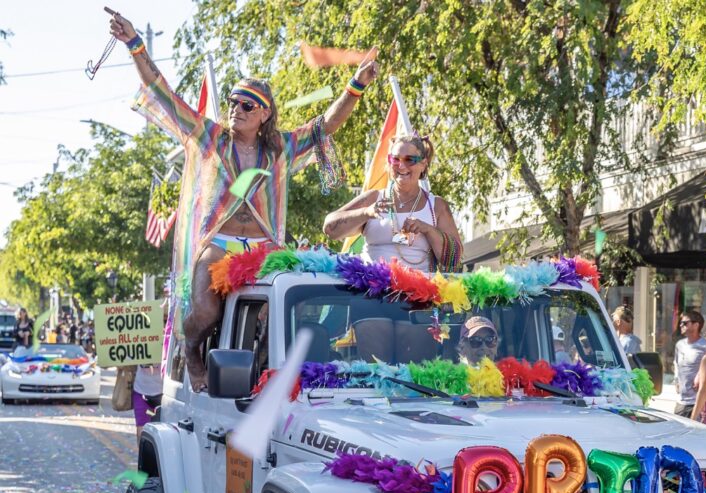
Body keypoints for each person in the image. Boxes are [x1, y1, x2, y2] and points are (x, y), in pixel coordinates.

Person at [109, 10, 377, 391]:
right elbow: (162, 93)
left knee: (279, 311)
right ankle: (195, 352)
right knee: (204, 309)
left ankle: (262, 372)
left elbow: (326, 125)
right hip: (219, 242)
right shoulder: (211, 138)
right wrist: (135, 44)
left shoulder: (281, 148)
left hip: (264, 244)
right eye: (234, 101)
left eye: (247, 105)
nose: (237, 108)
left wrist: (356, 84)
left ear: (264, 114)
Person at [323, 135, 463, 272]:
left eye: (410, 160)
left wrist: (428, 230)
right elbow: (330, 229)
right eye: (395, 159)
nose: (401, 166)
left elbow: (454, 260)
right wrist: (366, 212)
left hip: (418, 292)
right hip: (371, 290)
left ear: (423, 164)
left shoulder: (436, 206)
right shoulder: (374, 197)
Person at [673, 310, 706, 418]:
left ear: (696, 325)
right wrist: (676, 380)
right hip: (681, 401)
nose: (681, 325)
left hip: (697, 402)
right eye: (680, 322)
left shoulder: (705, 346)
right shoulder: (679, 344)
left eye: (685, 323)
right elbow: (676, 364)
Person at [132, 363, 164, 445]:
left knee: (164, 431)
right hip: (142, 392)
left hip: (164, 394)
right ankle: (142, 456)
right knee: (142, 429)